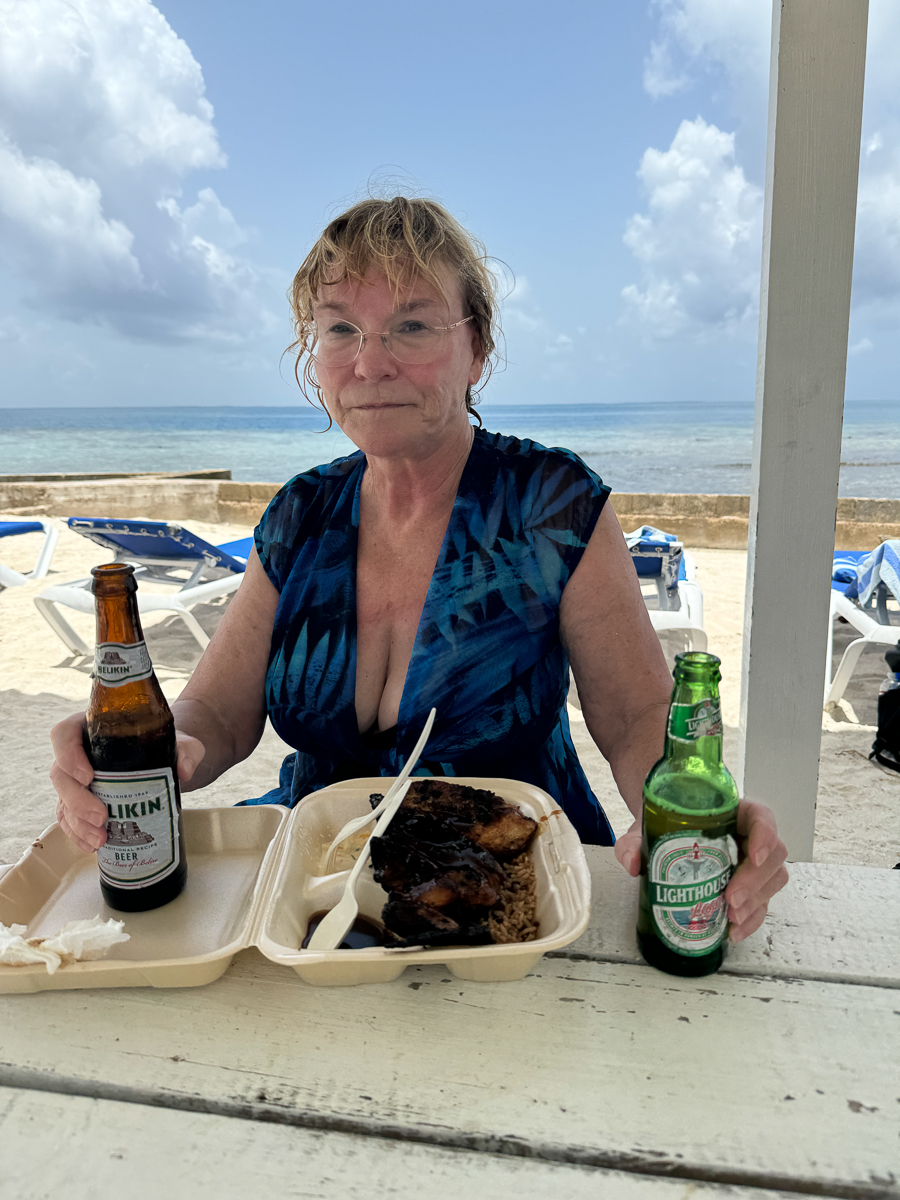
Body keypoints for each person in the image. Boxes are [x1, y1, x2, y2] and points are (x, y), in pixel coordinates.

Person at [50, 196, 787, 944]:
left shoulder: (551, 504)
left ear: (479, 349)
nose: (371, 362)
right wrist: (155, 758)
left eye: (412, 325)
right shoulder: (301, 514)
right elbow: (214, 717)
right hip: (322, 885)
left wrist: (686, 811)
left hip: (511, 893)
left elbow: (634, 717)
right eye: (341, 328)